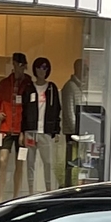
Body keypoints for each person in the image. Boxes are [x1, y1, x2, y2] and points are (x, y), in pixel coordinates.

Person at [0, 54, 35, 197]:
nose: (22, 68)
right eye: (19, 64)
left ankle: (15, 196)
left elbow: (31, 106)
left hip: (22, 129)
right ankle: (0, 196)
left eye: (24, 65)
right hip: (6, 128)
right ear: (14, 64)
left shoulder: (29, 83)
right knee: (2, 160)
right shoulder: (4, 83)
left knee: (20, 163)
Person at [30, 58, 65, 192]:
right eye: (39, 68)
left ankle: (49, 190)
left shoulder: (51, 88)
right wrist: (23, 131)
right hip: (31, 131)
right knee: (30, 164)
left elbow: (57, 109)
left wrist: (56, 130)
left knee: (48, 163)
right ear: (35, 69)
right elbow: (25, 111)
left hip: (46, 131)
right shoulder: (29, 88)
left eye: (45, 68)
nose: (41, 71)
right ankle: (30, 192)